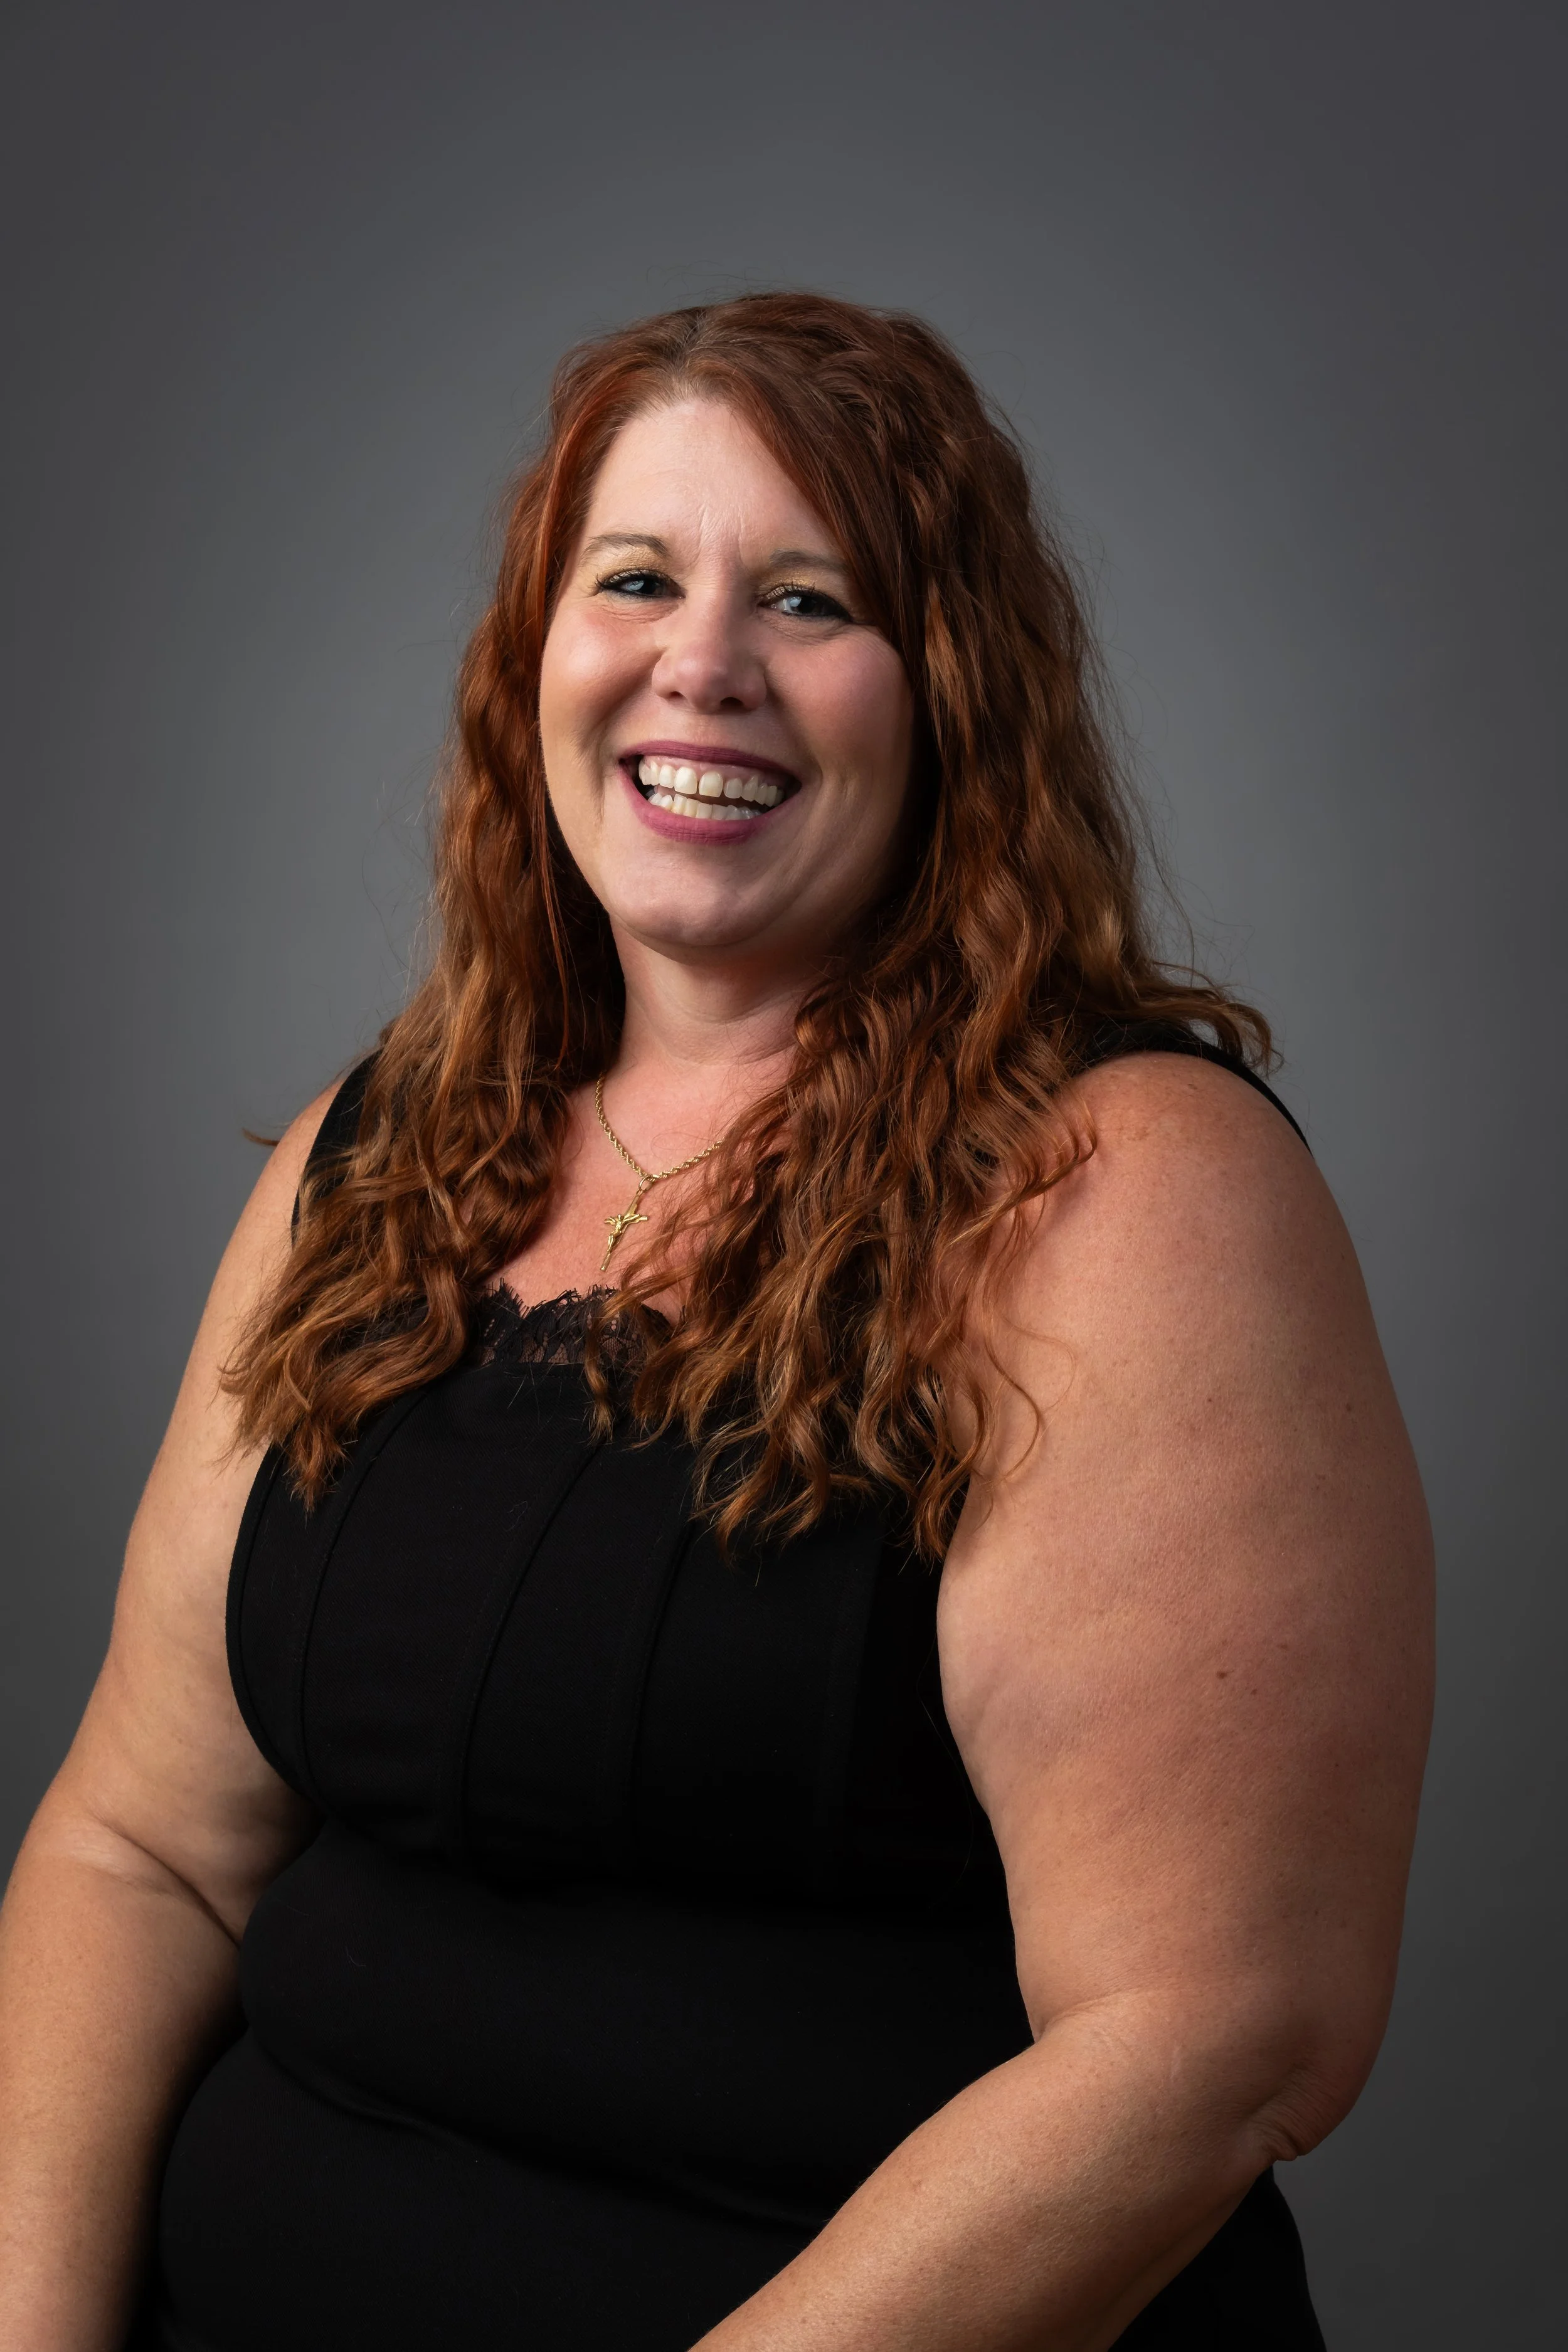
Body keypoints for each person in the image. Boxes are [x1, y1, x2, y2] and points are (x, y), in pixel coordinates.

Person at [0, 293, 1433, 2352]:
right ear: (538, 660)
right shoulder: (378, 1149)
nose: (702, 663)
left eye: (809, 597)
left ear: (945, 691)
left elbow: (1216, 2032)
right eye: (637, 579)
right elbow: (140, 1844)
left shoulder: (1123, 1190)